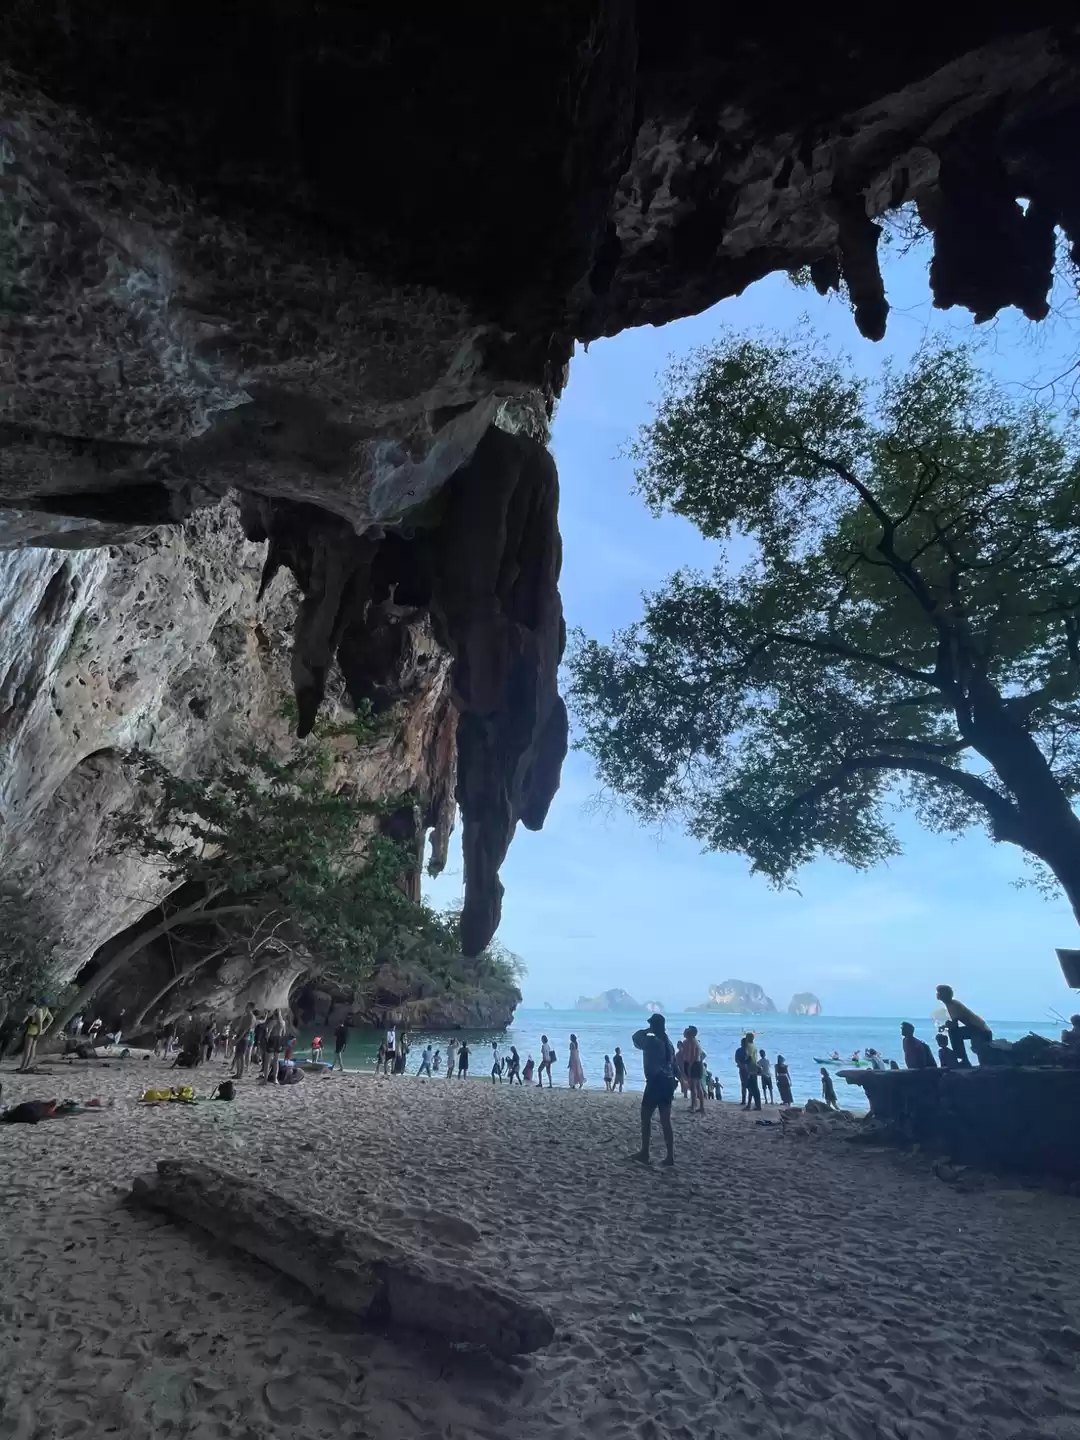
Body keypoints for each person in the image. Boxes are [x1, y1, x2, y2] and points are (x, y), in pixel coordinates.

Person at [631, 1014, 677, 1166]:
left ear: (654, 1026)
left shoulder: (652, 1042)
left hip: (655, 1082)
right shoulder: (668, 1043)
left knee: (645, 1117)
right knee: (665, 1120)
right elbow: (674, 1065)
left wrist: (646, 1031)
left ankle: (645, 1152)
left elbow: (635, 1038)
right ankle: (670, 1156)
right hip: (668, 1082)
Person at [935, 984, 992, 1066]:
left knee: (953, 1033)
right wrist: (946, 1026)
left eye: (939, 992)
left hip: (980, 1031)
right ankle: (962, 1059)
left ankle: (963, 1059)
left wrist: (946, 1026)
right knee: (954, 1031)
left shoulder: (953, 1005)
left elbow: (954, 1024)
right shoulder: (951, 1004)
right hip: (977, 1029)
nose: (937, 994)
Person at [18, 999, 53, 1072]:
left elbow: (39, 1023)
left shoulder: (38, 1010)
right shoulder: (46, 1010)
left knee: (27, 1050)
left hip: (32, 1030)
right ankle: (26, 1066)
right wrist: (44, 1029)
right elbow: (51, 1019)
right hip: (37, 1030)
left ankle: (23, 1067)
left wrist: (40, 1031)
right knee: (32, 1049)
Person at [684, 1025, 706, 1113]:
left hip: (694, 1065)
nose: (685, 1032)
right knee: (697, 1086)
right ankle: (698, 1105)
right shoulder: (690, 1041)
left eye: (687, 1031)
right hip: (694, 1064)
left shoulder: (693, 1042)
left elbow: (694, 1056)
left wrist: (690, 1066)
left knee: (694, 1087)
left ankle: (694, 1106)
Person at [743, 1044, 762, 1112]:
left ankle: (753, 1105)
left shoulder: (750, 1058)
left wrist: (755, 1073)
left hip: (752, 1076)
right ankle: (754, 1105)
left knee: (753, 1091)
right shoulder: (752, 1058)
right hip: (752, 1075)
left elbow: (746, 1062)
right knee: (753, 1091)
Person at [734, 1038, 749, 1107]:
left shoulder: (739, 1050)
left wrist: (740, 1064)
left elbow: (736, 1060)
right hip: (747, 1069)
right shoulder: (748, 1050)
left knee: (744, 1085)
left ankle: (744, 1100)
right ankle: (746, 1100)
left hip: (743, 1068)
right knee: (748, 1085)